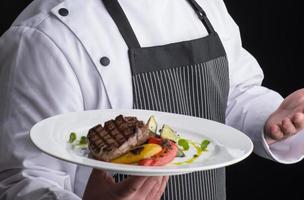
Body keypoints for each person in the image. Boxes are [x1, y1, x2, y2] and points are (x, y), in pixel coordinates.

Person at [0, 0, 304, 199]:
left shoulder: (205, 5)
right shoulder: (45, 34)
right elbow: (22, 179)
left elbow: (234, 92)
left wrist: (272, 118)